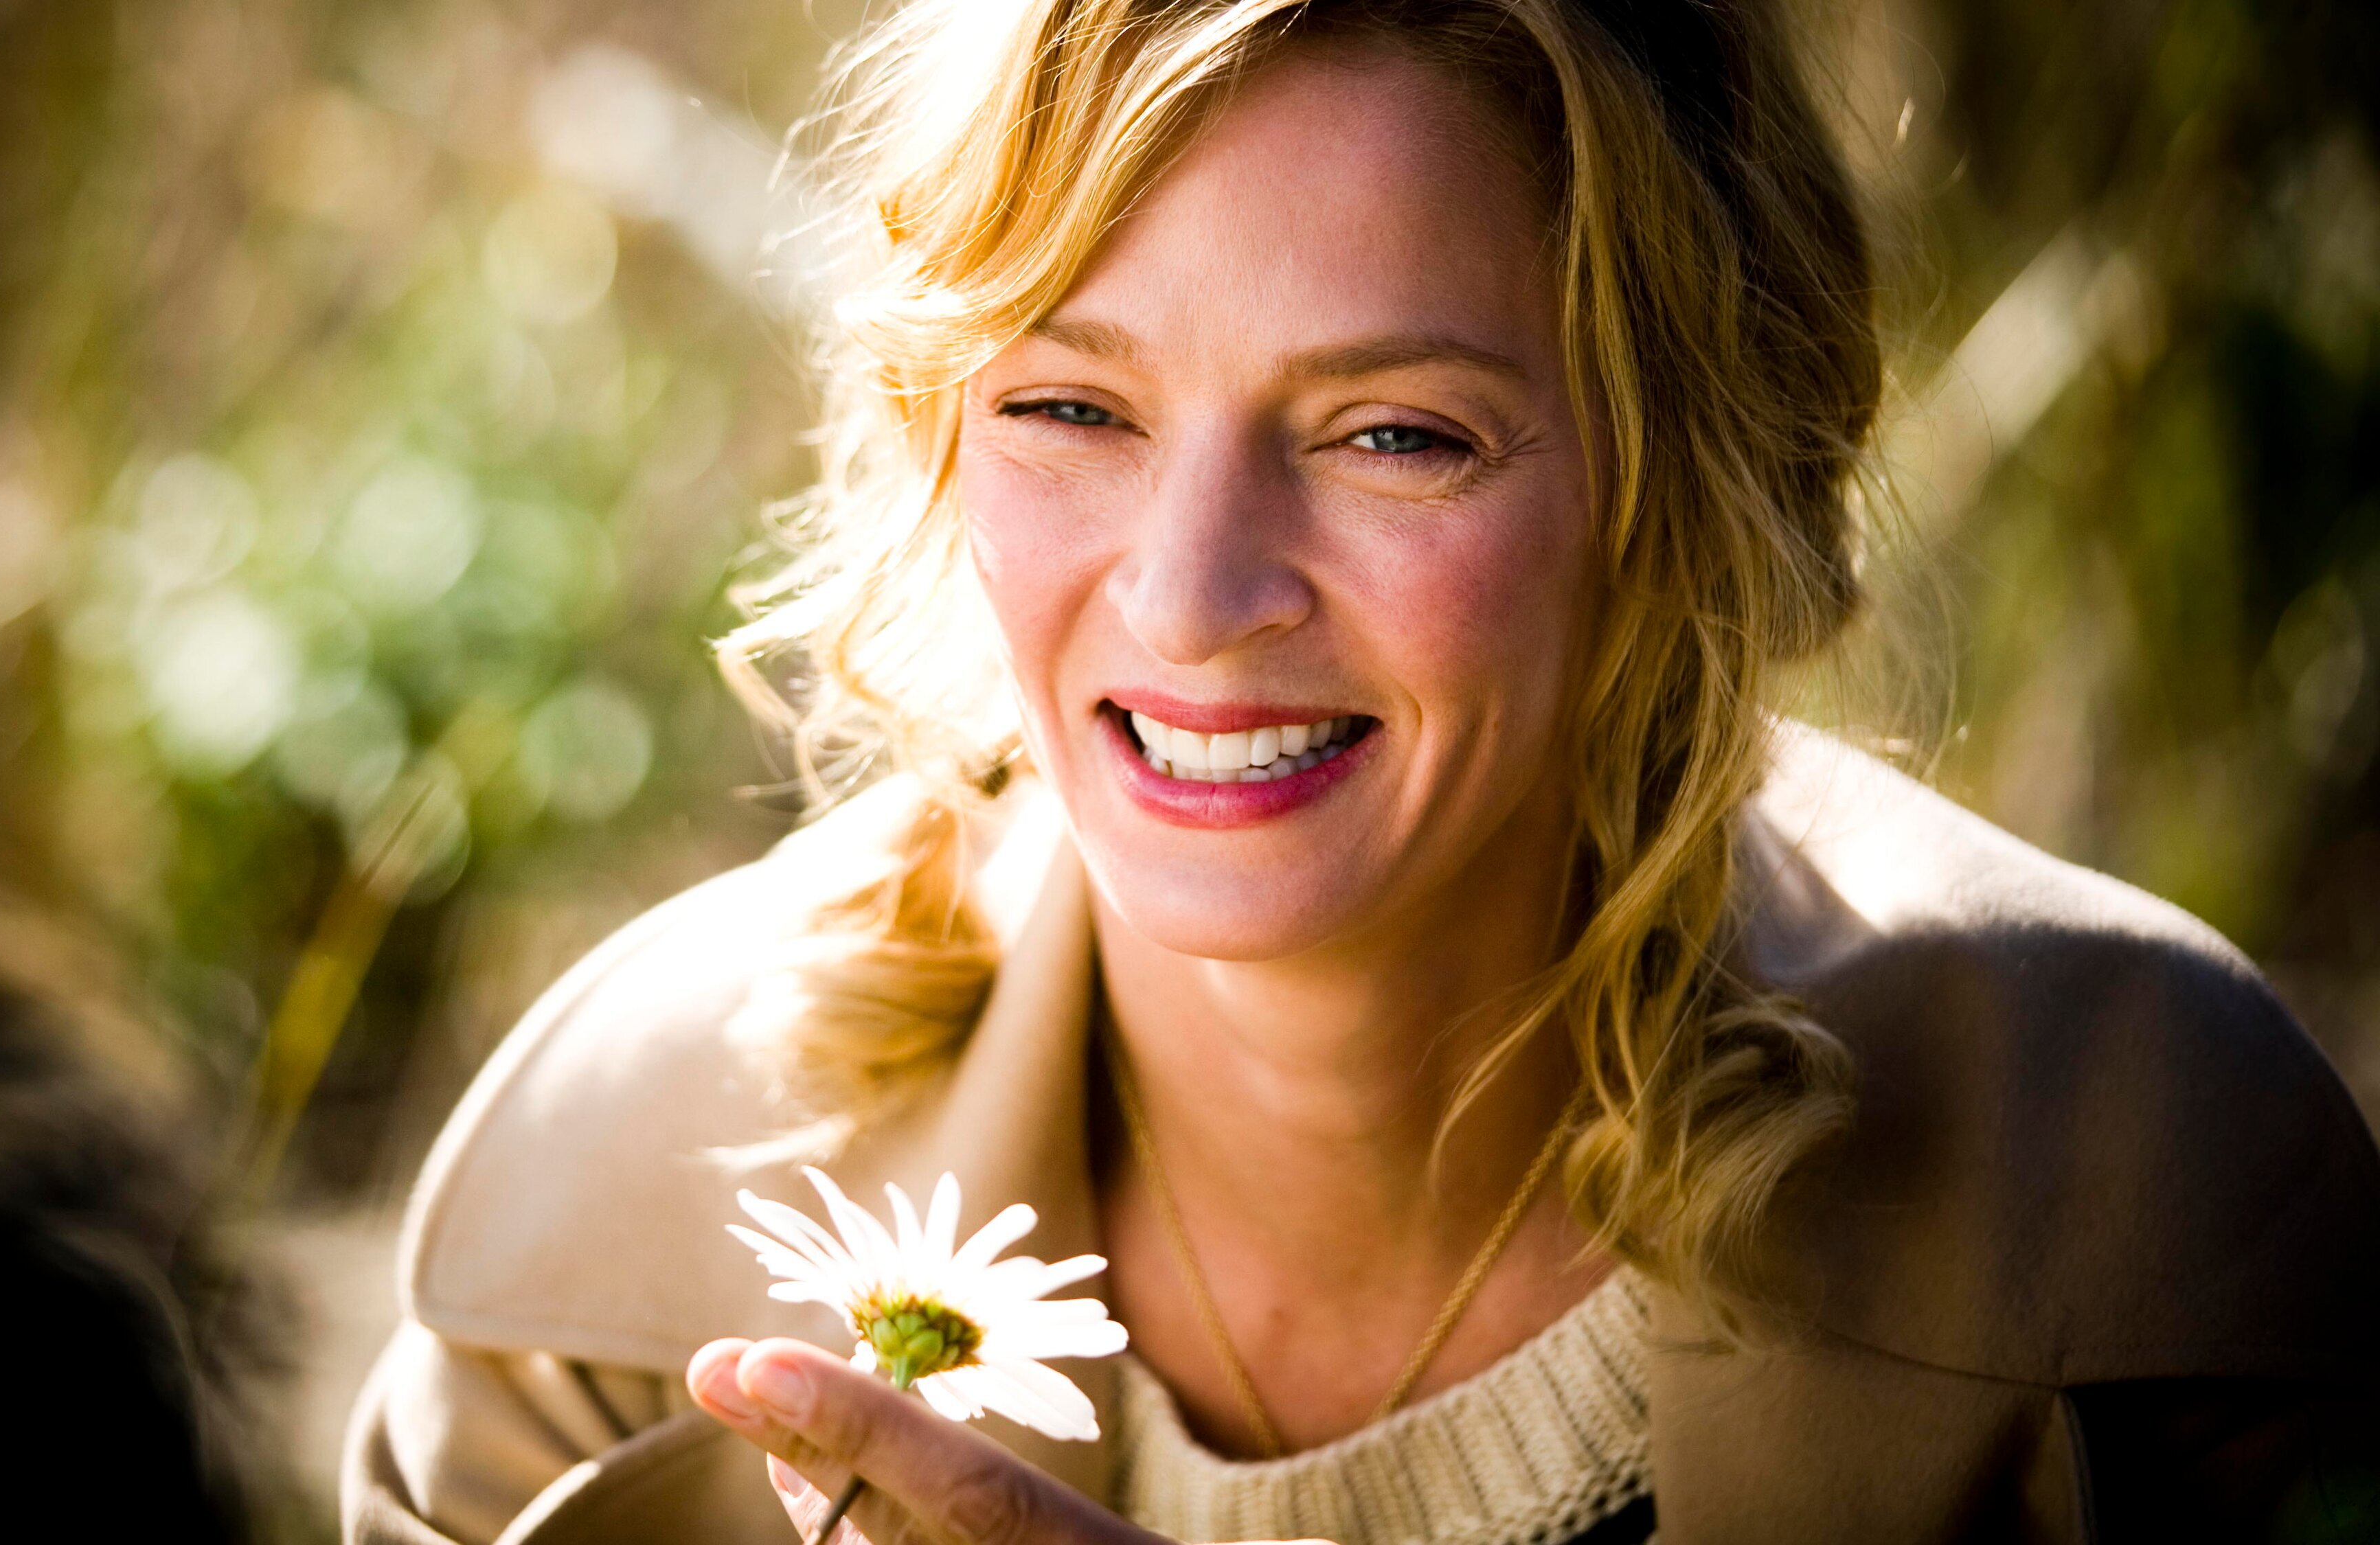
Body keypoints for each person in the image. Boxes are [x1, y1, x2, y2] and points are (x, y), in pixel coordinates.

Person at [343, 1, 2380, 1540]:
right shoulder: (606, 1230)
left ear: (1682, 491)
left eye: (1397, 432)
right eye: (1071, 403)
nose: (1199, 592)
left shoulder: (2133, 1191)